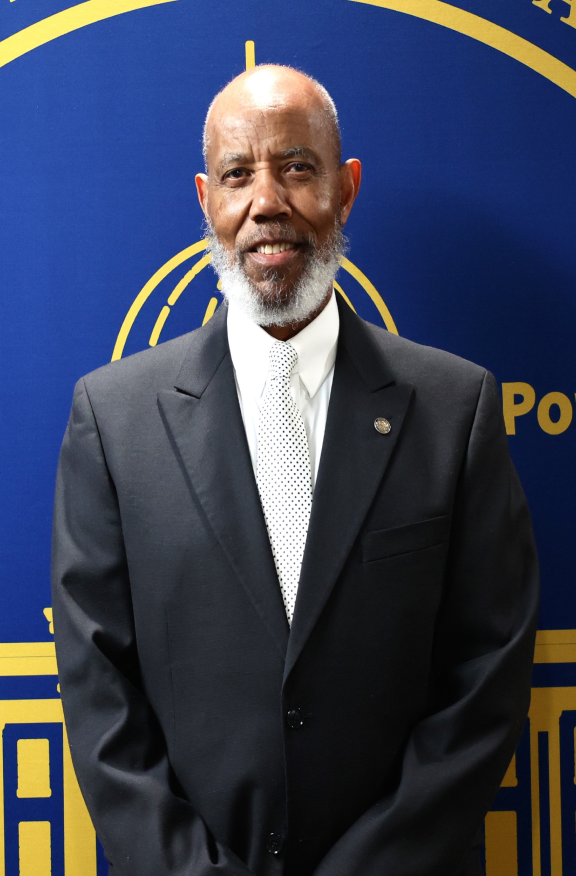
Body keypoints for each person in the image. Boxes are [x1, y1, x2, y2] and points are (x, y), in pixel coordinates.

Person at [51, 65, 539, 876]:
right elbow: (99, 695)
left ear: (345, 191)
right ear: (206, 201)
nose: (266, 202)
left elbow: (486, 677)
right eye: (238, 175)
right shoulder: (112, 420)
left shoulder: (456, 410)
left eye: (298, 167)